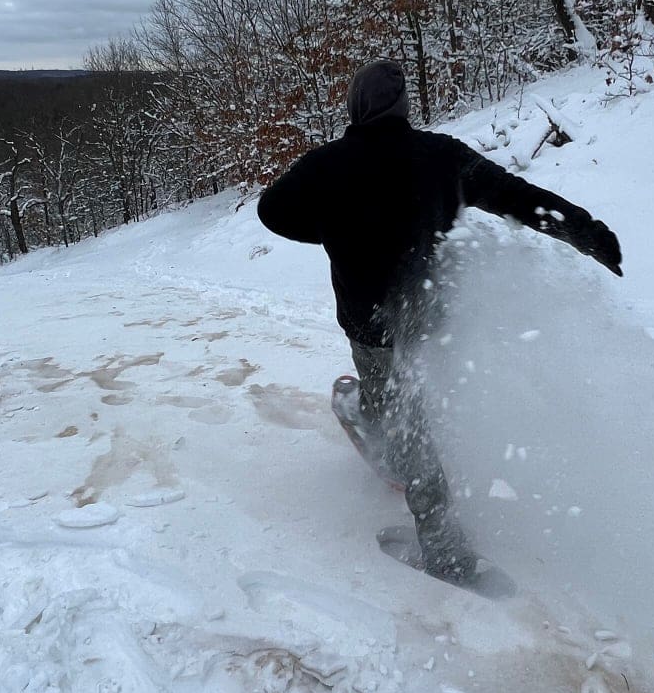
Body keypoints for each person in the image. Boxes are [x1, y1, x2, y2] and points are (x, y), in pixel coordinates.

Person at [256, 59, 622, 582]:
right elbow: (516, 197)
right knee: (413, 401)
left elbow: (273, 210)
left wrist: (333, 228)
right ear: (402, 106)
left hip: (371, 328)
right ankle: (390, 432)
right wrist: (586, 233)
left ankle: (444, 550)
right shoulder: (440, 156)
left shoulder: (327, 165)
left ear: (356, 108)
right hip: (432, 319)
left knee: (407, 424)